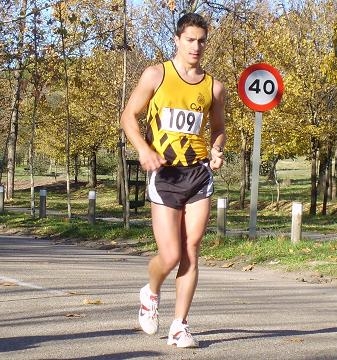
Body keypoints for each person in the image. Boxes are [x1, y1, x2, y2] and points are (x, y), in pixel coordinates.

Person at [120, 12, 226, 348]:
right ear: (178, 40)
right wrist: (142, 149)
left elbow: (219, 129)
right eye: (190, 40)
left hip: (197, 173)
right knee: (170, 256)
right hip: (164, 172)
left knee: (191, 251)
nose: (196, 46)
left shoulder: (214, 87)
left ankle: (180, 326)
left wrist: (217, 150)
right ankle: (150, 292)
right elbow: (128, 116)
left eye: (202, 40)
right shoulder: (156, 74)